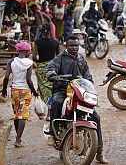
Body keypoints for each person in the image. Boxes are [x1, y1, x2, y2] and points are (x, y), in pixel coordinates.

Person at [45, 35, 109, 164]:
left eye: (76, 45)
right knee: (57, 102)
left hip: (79, 92)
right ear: (66, 46)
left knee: (95, 117)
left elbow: (88, 76)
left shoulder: (81, 59)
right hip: (62, 90)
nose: (74, 48)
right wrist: (52, 75)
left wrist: (89, 83)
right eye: (71, 45)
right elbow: (50, 68)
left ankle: (99, 153)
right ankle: (53, 132)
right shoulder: (59, 58)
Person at [1, 41, 39, 148]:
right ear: (27, 52)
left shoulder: (11, 61)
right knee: (23, 115)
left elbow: (6, 78)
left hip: (14, 91)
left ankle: (18, 137)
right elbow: (28, 79)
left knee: (16, 114)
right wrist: (34, 91)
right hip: (25, 91)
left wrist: (4, 90)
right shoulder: (29, 63)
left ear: (18, 50)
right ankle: (18, 140)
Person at [32, 23, 60, 121]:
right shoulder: (55, 42)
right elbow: (58, 57)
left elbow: (34, 58)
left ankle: (41, 111)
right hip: (52, 69)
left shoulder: (37, 42)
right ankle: (49, 113)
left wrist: (41, 60)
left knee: (43, 89)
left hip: (41, 70)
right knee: (51, 89)